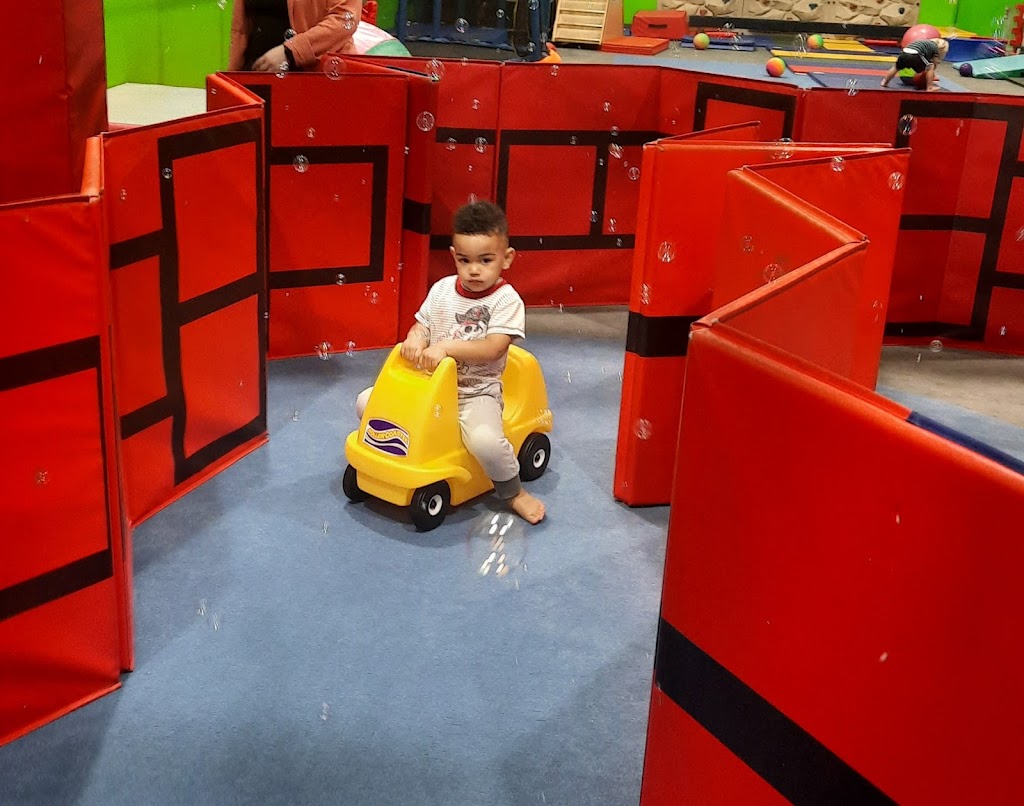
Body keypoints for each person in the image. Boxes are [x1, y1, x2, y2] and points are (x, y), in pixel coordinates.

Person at [355, 201, 547, 525]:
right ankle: (384, 466)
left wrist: (445, 348)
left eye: (485, 260)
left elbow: (494, 348)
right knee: (365, 403)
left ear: (507, 258)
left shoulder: (506, 300)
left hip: (475, 393)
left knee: (485, 442)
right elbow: (423, 325)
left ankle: (513, 492)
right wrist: (415, 338)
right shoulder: (442, 290)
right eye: (464, 260)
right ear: (454, 255)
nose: (474, 270)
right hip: (428, 390)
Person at [229, 0, 411, 72]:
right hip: (256, 75)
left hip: (313, 79)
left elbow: (343, 18)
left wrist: (290, 52)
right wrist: (232, 75)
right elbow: (242, 29)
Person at [880, 38, 949, 92]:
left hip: (904, 53)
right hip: (915, 55)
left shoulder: (925, 43)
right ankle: (930, 87)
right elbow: (934, 62)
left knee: (896, 67)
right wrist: (932, 73)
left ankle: (885, 82)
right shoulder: (935, 48)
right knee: (930, 67)